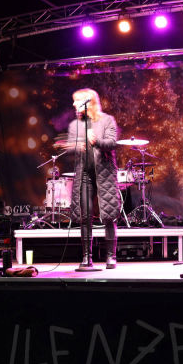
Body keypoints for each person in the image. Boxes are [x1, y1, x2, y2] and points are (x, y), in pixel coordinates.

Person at [63, 88, 120, 271]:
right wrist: (77, 145)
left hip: (104, 173)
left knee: (109, 215)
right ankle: (86, 256)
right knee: (85, 215)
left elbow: (112, 143)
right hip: (85, 174)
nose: (73, 104)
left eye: (77, 100)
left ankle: (111, 256)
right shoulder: (75, 125)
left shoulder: (107, 120)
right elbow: (70, 147)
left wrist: (96, 141)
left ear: (89, 102)